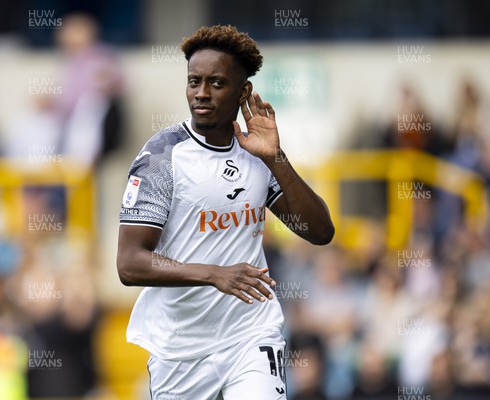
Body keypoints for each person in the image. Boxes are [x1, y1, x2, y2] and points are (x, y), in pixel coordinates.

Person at [116, 25, 334, 400]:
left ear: (243, 91)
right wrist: (214, 274)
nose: (201, 93)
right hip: (179, 350)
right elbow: (129, 263)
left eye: (216, 83)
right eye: (194, 82)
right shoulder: (162, 157)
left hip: (251, 334)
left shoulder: (258, 154)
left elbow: (320, 231)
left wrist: (275, 158)